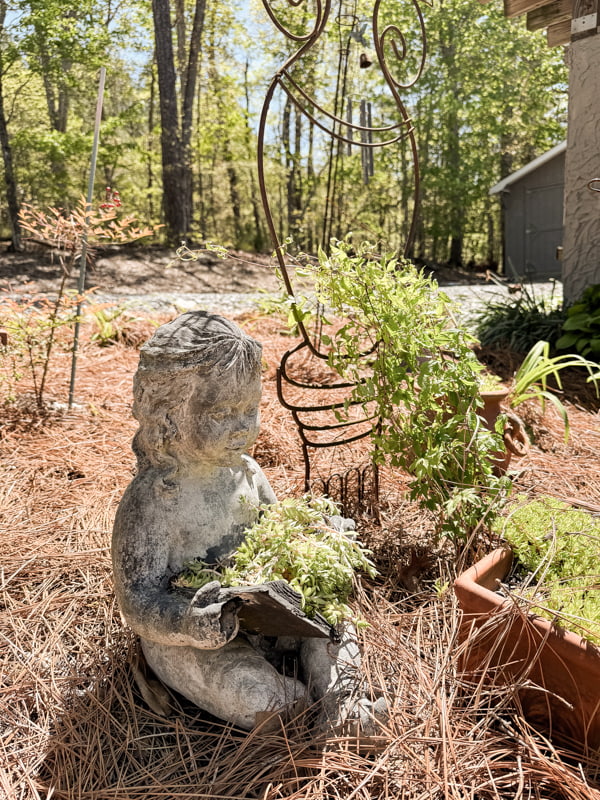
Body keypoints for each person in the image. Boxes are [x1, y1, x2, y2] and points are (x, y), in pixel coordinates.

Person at [112, 311, 382, 731]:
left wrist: (316, 540)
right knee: (261, 699)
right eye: (221, 413)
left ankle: (341, 703)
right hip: (193, 639)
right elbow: (137, 602)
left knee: (334, 624)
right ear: (168, 412)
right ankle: (289, 706)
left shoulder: (248, 474)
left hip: (270, 615)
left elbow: (279, 532)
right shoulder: (153, 499)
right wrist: (188, 622)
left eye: (249, 410)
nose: (241, 427)